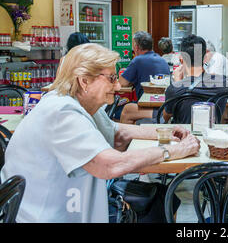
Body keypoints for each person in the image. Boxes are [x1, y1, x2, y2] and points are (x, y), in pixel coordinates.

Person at [0, 43, 200, 223]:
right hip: (44, 215)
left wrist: (165, 131)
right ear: (84, 81)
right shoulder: (62, 113)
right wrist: (172, 151)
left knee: (163, 199)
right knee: (156, 207)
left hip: (66, 204)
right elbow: (110, 165)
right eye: (112, 78)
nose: (118, 85)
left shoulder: (76, 103)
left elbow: (117, 134)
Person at [163, 35, 228, 124]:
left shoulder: (174, 89)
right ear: (205, 58)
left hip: (184, 136)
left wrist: (178, 82)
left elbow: (166, 117)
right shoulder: (222, 82)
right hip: (211, 134)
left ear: (181, 58)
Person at [118, 31, 170, 123]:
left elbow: (122, 83)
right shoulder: (162, 60)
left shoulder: (138, 60)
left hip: (152, 108)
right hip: (164, 107)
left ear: (137, 47)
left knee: (126, 110)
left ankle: (127, 136)